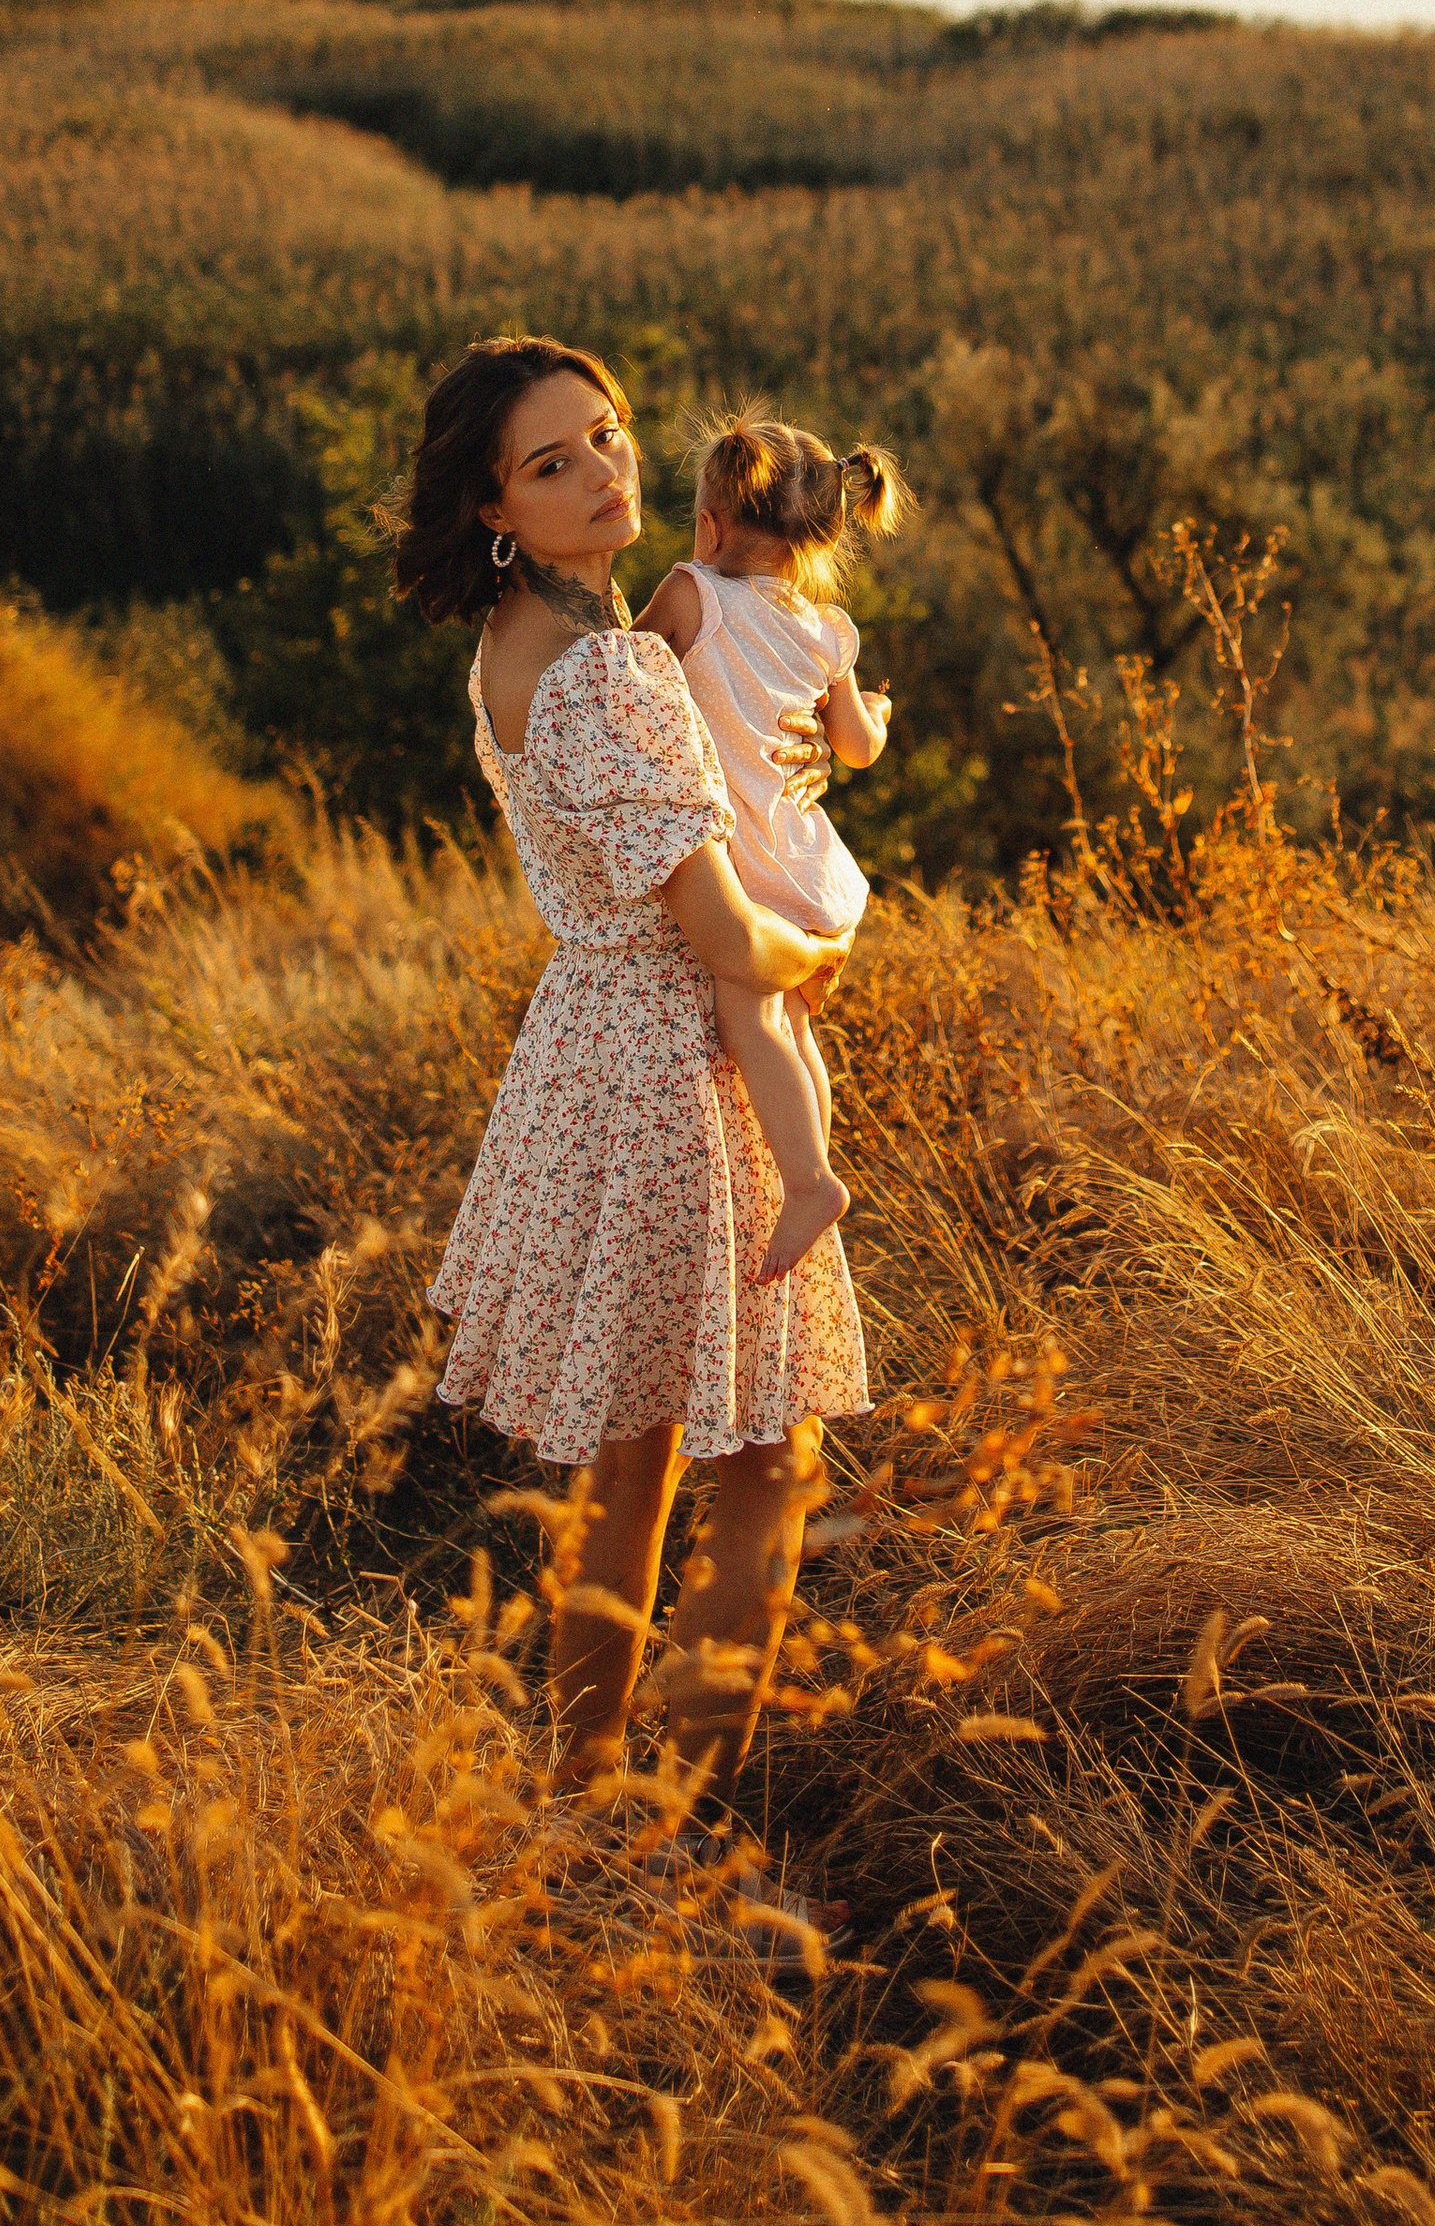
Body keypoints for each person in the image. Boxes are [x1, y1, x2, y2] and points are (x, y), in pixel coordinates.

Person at [389, 334, 870, 1833]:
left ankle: (590, 1798)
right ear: (493, 506)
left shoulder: (536, 649)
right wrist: (828, 943)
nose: (605, 474)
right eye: (554, 464)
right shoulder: (604, 671)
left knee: (631, 1460)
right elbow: (723, 929)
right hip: (674, 1069)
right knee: (756, 1461)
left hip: (599, 1055)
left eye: (606, 437)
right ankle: (663, 1820)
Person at [636, 408, 909, 1287]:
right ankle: (812, 1166)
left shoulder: (690, 593)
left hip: (751, 869)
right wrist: (881, 719)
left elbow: (621, 674)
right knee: (791, 1026)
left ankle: (808, 1180)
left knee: (750, 1011)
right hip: (815, 864)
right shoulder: (828, 629)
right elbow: (858, 748)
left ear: (710, 526)